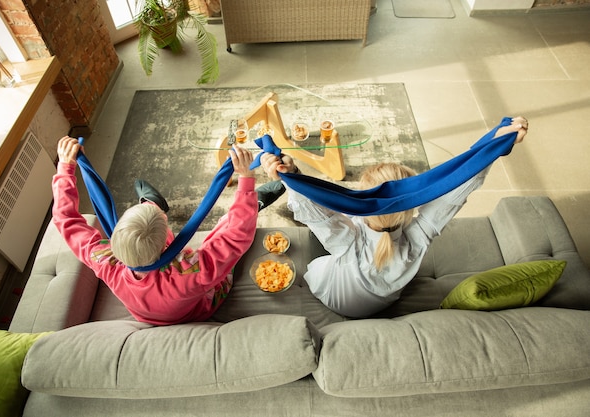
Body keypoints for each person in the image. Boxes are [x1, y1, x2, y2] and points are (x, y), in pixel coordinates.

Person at [259, 117, 529, 318]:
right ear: (412, 208)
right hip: (381, 302)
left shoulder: (347, 241)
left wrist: (290, 173)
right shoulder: (419, 237)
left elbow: (315, 212)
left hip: (335, 297)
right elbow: (458, 185)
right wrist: (496, 143)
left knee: (318, 264)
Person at [52, 136, 258, 325]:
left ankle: (151, 203)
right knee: (224, 230)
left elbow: (66, 219)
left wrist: (65, 168)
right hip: (198, 308)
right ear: (167, 245)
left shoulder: (106, 262)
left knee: (144, 228)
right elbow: (236, 237)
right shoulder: (190, 270)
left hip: (146, 313)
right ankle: (256, 202)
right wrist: (246, 181)